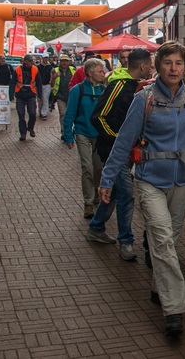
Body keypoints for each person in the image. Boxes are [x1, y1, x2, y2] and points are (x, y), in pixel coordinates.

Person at [98, 41, 185, 338]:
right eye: (168, 62)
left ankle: (160, 287)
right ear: (158, 66)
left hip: (182, 180)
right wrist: (107, 178)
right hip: (149, 179)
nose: (173, 68)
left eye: (178, 63)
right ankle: (174, 310)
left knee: (170, 240)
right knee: (163, 238)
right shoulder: (143, 99)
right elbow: (123, 141)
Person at [86, 48, 154, 261]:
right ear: (142, 66)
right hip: (113, 151)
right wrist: (120, 140)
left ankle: (96, 227)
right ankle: (126, 241)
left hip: (126, 151)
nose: (151, 68)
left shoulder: (137, 87)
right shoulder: (119, 86)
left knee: (115, 193)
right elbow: (99, 117)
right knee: (125, 194)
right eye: (150, 65)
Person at [63, 58, 106, 219]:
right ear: (90, 73)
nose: (103, 74)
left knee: (98, 168)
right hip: (82, 133)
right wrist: (68, 135)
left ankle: (95, 190)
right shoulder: (77, 90)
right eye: (100, 71)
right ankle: (88, 203)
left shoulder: (103, 89)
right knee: (87, 167)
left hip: (99, 135)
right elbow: (69, 114)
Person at [10, 54, 42, 141]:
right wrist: (11, 95)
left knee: (32, 113)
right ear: (25, 61)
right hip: (20, 94)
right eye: (30, 61)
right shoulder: (18, 69)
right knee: (21, 115)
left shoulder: (35, 69)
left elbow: (39, 83)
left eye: (32, 61)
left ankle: (30, 127)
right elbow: (12, 82)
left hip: (31, 94)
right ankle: (23, 133)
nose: (32, 62)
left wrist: (39, 95)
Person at [51, 54, 76, 140]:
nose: (64, 63)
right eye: (62, 61)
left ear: (69, 62)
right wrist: (54, 78)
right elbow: (51, 84)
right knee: (63, 114)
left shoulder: (73, 70)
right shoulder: (55, 70)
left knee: (71, 114)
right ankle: (64, 132)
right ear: (60, 62)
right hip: (60, 96)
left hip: (71, 96)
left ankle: (70, 131)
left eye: (66, 61)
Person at [36, 53, 53, 120]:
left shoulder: (50, 67)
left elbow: (51, 76)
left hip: (47, 85)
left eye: (46, 58)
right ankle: (40, 111)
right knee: (40, 99)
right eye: (44, 58)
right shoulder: (38, 67)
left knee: (45, 99)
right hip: (39, 85)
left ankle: (44, 113)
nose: (45, 59)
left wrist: (51, 83)